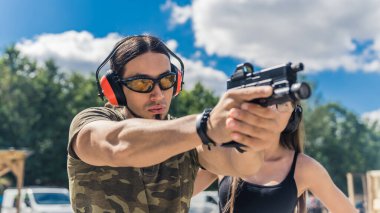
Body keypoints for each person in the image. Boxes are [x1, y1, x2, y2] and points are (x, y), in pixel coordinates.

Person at [67, 35, 283, 212]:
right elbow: (118, 145)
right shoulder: (92, 121)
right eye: (142, 83)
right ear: (115, 89)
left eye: (166, 81)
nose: (158, 94)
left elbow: (244, 166)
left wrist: (247, 130)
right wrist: (205, 125)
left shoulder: (187, 135)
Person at [194, 101, 358, 213]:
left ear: (293, 117)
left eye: (281, 103)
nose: (271, 109)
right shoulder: (224, 155)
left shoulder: (304, 168)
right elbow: (175, 193)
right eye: (265, 102)